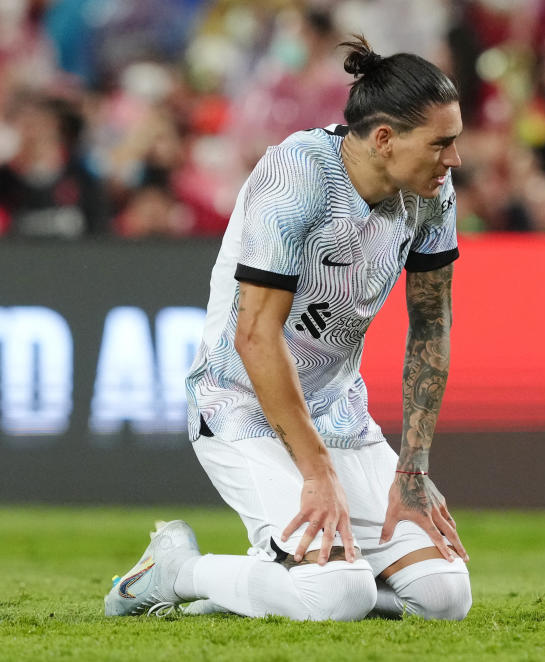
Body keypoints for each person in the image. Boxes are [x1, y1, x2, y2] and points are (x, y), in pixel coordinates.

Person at [104, 35, 471, 622]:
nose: (453, 159)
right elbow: (254, 335)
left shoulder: (429, 194)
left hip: (338, 412)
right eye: (441, 143)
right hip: (240, 406)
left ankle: (275, 586)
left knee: (445, 598)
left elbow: (431, 323)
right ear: (384, 139)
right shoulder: (295, 175)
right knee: (335, 596)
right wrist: (316, 470)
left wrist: (413, 469)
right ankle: (176, 570)